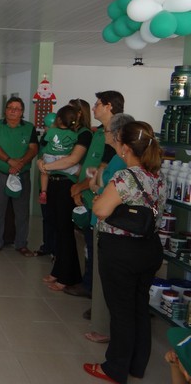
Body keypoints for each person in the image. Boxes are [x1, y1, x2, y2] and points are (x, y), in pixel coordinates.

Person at [84, 121, 165, 384]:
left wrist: (99, 200)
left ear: (126, 148)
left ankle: (115, 368)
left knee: (121, 311)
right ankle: (137, 365)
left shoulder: (125, 177)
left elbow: (100, 210)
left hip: (121, 251)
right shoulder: (157, 176)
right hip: (149, 248)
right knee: (139, 307)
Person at [65, 91, 124, 299]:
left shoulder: (117, 135)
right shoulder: (98, 132)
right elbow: (91, 166)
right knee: (90, 245)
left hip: (103, 198)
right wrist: (82, 186)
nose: (93, 108)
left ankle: (94, 291)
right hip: (91, 195)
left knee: (99, 249)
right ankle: (89, 284)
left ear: (109, 106)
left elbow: (103, 170)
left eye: (97, 104)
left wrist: (81, 187)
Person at [84, 113, 134, 345]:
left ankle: (103, 327)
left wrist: (95, 187)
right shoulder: (117, 158)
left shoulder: (121, 161)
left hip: (110, 223)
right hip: (109, 223)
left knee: (106, 277)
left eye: (105, 131)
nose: (103, 134)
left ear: (116, 134)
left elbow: (108, 192)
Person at [38, 98, 93, 290]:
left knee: (65, 230)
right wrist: (42, 163)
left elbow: (72, 160)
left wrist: (47, 166)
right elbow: (47, 150)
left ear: (79, 113)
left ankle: (68, 276)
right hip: (53, 181)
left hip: (67, 184)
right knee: (57, 228)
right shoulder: (62, 131)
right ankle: (58, 270)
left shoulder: (84, 134)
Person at [0, 97, 38, 257]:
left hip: (22, 175)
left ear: (22, 112)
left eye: (17, 108)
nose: (13, 111)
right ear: (5, 110)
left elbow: (33, 148)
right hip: (1, 174)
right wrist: (10, 161)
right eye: (10, 107)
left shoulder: (29, 127)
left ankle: (21, 244)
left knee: (22, 211)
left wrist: (19, 164)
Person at [38, 105, 80, 204]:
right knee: (80, 171)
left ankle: (43, 192)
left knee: (44, 173)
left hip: (49, 157)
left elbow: (43, 142)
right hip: (64, 160)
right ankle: (79, 188)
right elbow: (74, 145)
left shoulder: (51, 131)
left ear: (59, 120)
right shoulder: (74, 134)